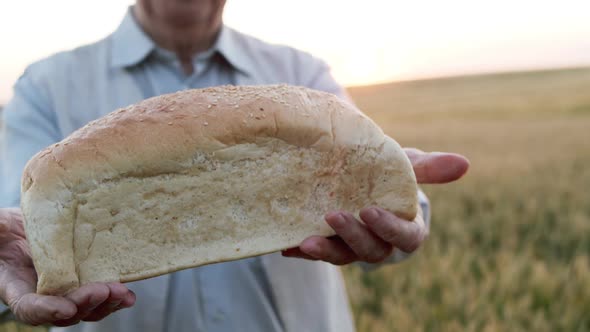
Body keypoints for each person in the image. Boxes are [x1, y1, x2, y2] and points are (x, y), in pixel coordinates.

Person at [0, 1, 469, 331]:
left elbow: (389, 194)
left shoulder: (302, 72)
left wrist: (405, 214)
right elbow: (20, 225)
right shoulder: (48, 85)